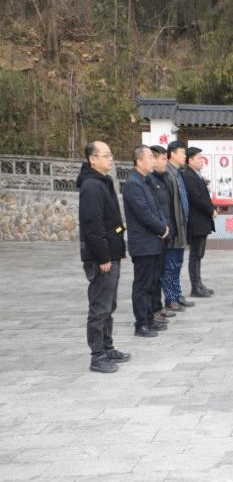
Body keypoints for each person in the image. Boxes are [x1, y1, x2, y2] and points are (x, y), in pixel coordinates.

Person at [78, 141, 131, 372]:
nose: (111, 159)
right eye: (106, 155)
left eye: (111, 155)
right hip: (102, 257)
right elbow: (93, 225)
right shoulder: (91, 185)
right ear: (93, 159)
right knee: (100, 307)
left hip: (112, 253)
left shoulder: (102, 182)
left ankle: (108, 348)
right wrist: (103, 257)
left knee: (109, 304)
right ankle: (97, 355)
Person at [123, 145, 171, 338]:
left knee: (152, 283)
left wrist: (163, 225)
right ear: (139, 161)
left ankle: (150, 318)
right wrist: (161, 228)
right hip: (143, 243)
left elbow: (156, 209)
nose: (153, 160)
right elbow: (144, 213)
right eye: (150, 157)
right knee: (142, 286)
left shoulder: (146, 181)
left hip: (154, 242)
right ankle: (141, 323)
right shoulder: (133, 184)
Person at [160, 141, 196, 313]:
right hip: (173, 228)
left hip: (182, 226)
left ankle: (177, 295)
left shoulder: (179, 173)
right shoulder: (168, 174)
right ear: (172, 154)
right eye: (182, 153)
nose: (185, 156)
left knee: (177, 264)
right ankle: (171, 298)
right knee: (170, 265)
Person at [183, 146, 215, 303]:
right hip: (196, 222)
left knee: (199, 255)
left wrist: (212, 207)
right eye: (199, 158)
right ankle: (195, 287)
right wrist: (210, 209)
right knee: (195, 255)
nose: (202, 161)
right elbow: (196, 198)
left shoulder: (196, 175)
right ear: (190, 160)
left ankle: (199, 284)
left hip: (202, 221)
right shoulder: (189, 176)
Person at [148, 146, 176, 325]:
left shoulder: (164, 178)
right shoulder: (149, 181)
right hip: (155, 234)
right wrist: (161, 228)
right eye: (162, 159)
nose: (166, 162)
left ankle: (158, 307)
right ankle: (152, 310)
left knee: (161, 272)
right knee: (152, 277)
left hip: (165, 232)